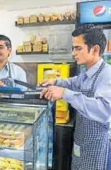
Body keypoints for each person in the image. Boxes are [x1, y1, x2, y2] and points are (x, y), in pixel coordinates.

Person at [40, 24, 111, 170]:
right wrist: (55, 81)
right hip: (81, 140)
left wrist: (64, 93)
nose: (73, 53)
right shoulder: (87, 72)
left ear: (95, 49)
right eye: (73, 48)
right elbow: (74, 82)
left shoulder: (107, 74)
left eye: (78, 48)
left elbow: (104, 110)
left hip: (97, 146)